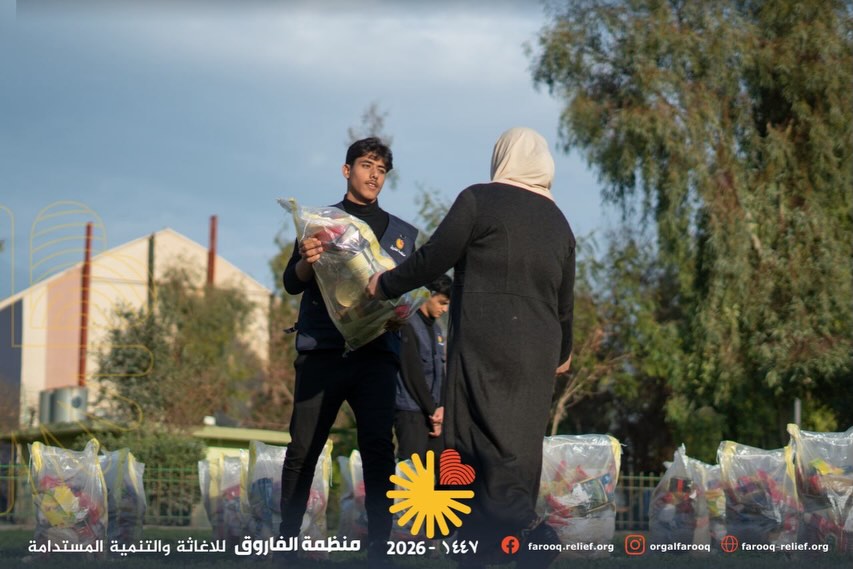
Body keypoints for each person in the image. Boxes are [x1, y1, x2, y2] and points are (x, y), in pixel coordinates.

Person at [366, 127, 575, 569]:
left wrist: (385, 283)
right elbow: (565, 302)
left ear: (502, 158)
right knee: (517, 448)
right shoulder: (560, 223)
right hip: (539, 351)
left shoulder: (480, 199)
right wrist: (563, 353)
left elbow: (434, 257)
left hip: (485, 343)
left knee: (471, 442)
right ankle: (491, 547)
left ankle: (527, 531)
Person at [279, 137, 418, 566]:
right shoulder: (321, 222)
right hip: (322, 351)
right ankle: (286, 544)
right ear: (347, 170)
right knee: (304, 448)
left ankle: (379, 547)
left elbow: (406, 297)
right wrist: (307, 259)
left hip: (377, 356)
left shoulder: (402, 235)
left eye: (381, 169)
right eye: (366, 165)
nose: (374, 175)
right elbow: (292, 282)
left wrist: (402, 314)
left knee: (378, 449)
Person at [394, 274, 452, 463]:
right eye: (442, 303)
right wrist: (432, 410)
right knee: (411, 467)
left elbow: (441, 371)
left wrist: (441, 407)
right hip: (411, 410)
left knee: (440, 466)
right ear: (428, 295)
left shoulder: (436, 329)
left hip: (434, 413)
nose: (445, 309)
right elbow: (412, 373)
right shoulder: (407, 324)